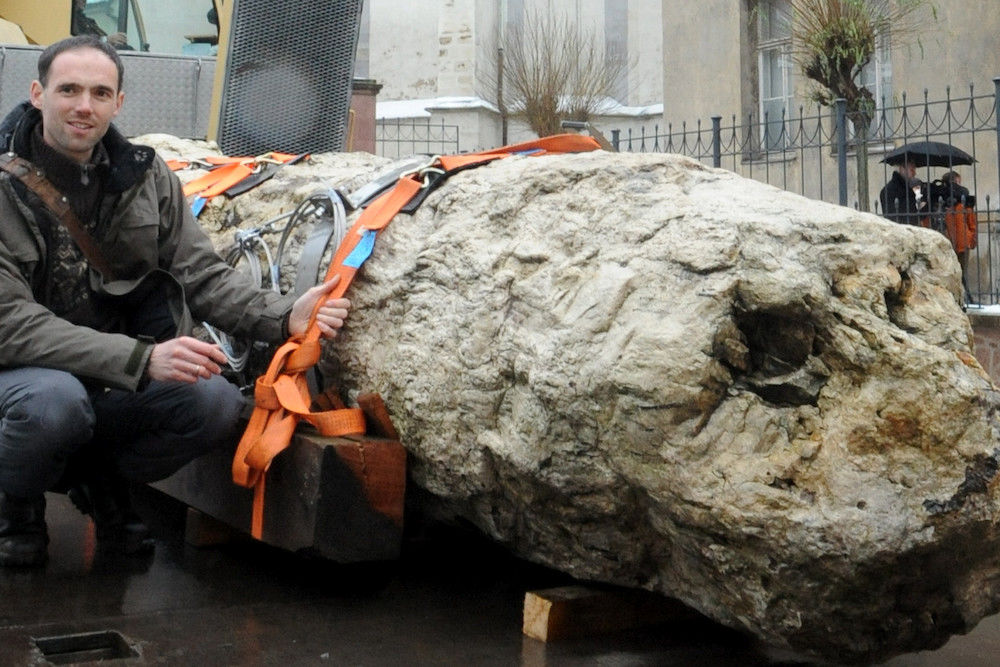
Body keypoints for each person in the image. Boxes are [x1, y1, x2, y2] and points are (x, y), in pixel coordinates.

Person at [0, 36, 351, 567]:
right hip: (23, 377)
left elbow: (201, 275)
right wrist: (141, 360)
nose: (83, 106)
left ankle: (104, 482)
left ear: (118, 103)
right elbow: (10, 324)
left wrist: (284, 316)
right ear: (37, 94)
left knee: (213, 404)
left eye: (100, 92)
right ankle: (16, 501)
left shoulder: (146, 178)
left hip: (113, 376)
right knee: (54, 406)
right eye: (68, 89)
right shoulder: (4, 190)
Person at [879, 160, 927, 225]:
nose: (915, 173)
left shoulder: (909, 188)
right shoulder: (889, 190)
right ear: (902, 168)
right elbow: (905, 218)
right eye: (912, 170)